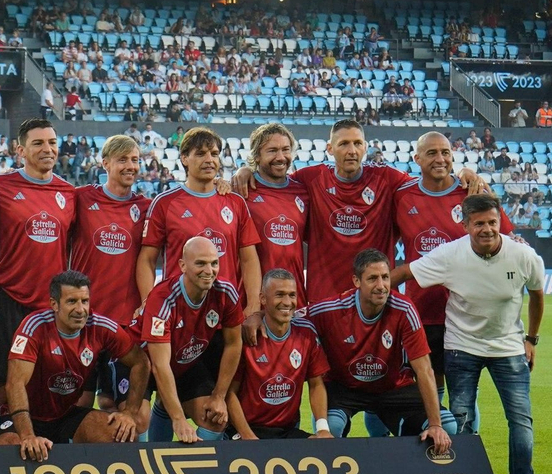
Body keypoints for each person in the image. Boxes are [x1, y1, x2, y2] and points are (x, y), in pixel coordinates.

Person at [392, 195, 544, 474]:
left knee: (520, 420)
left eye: (492, 222)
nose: (487, 229)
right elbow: (405, 272)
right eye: (479, 223)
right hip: (462, 347)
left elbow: (537, 295)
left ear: (500, 221)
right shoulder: (450, 255)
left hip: (509, 348)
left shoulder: (523, 255)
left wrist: (531, 339)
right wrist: (373, 297)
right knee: (459, 419)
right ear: (465, 225)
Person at [235, 118, 484, 305]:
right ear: (330, 149)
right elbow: (274, 181)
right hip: (325, 300)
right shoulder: (310, 179)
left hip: (374, 297)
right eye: (343, 144)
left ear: (365, 147)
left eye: (357, 143)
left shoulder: (386, 178)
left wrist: (463, 173)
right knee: (324, 374)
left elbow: (429, 184)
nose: (351, 150)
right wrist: (244, 171)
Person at [393, 131, 513, 434]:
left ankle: (467, 455)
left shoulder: (470, 193)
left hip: (463, 313)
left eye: (445, 152)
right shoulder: (403, 196)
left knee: (464, 393)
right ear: (417, 159)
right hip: (418, 313)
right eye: (431, 153)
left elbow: (505, 239)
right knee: (406, 387)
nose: (440, 159)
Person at [0, 118, 74, 447]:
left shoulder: (68, 193)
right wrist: (14, 260)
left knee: (43, 385)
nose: (47, 149)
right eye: (38, 143)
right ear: (20, 150)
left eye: (51, 142)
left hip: (50, 307)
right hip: (9, 300)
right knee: (1, 387)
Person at [0, 270, 152, 460]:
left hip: (65, 415)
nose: (80, 309)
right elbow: (15, 384)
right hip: (26, 417)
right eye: (71, 302)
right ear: (54, 304)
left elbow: (140, 362)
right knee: (8, 448)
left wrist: (129, 411)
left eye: (84, 301)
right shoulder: (34, 327)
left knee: (121, 435)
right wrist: (28, 436)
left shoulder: (100, 327)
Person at [309, 250, 448, 452]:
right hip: (344, 388)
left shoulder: (404, 308)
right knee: (332, 428)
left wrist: (435, 425)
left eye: (385, 277)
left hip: (392, 387)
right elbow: (289, 320)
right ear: (356, 281)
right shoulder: (330, 310)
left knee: (448, 427)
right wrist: (259, 315)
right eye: (373, 279)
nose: (381, 286)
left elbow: (424, 369)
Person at [137, 127, 262, 321]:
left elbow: (249, 259)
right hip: (178, 313)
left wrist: (253, 304)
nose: (209, 160)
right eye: (201, 154)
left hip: (225, 315)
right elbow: (147, 260)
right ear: (184, 158)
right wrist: (148, 302)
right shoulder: (164, 203)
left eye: (214, 154)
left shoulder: (235, 203)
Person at [141, 236, 245, 443]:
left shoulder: (226, 292)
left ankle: (195, 473)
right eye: (200, 263)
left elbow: (234, 344)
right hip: (144, 364)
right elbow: (159, 365)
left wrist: (218, 396)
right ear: (182, 265)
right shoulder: (163, 299)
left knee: (214, 419)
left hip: (184, 363)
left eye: (214, 263)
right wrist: (178, 418)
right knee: (138, 420)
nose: (209, 271)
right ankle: (148, 469)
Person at [70, 134, 146, 408]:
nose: (130, 166)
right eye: (122, 159)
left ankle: (125, 453)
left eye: (135, 160)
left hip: (124, 323)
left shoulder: (146, 208)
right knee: (78, 402)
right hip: (81, 320)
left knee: (126, 408)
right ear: (105, 163)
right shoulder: (80, 199)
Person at [226, 269, 329, 440]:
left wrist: (323, 428)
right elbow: (229, 393)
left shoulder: (306, 333)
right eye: (280, 295)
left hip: (287, 431)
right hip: (248, 430)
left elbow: (316, 384)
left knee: (322, 448)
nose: (287, 302)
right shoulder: (247, 337)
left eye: (292, 295)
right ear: (263, 299)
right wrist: (248, 436)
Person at [242, 123, 308, 305]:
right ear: (256, 156)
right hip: (253, 301)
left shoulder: (303, 192)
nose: (281, 157)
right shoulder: (242, 191)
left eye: (285, 150)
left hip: (294, 299)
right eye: (272, 151)